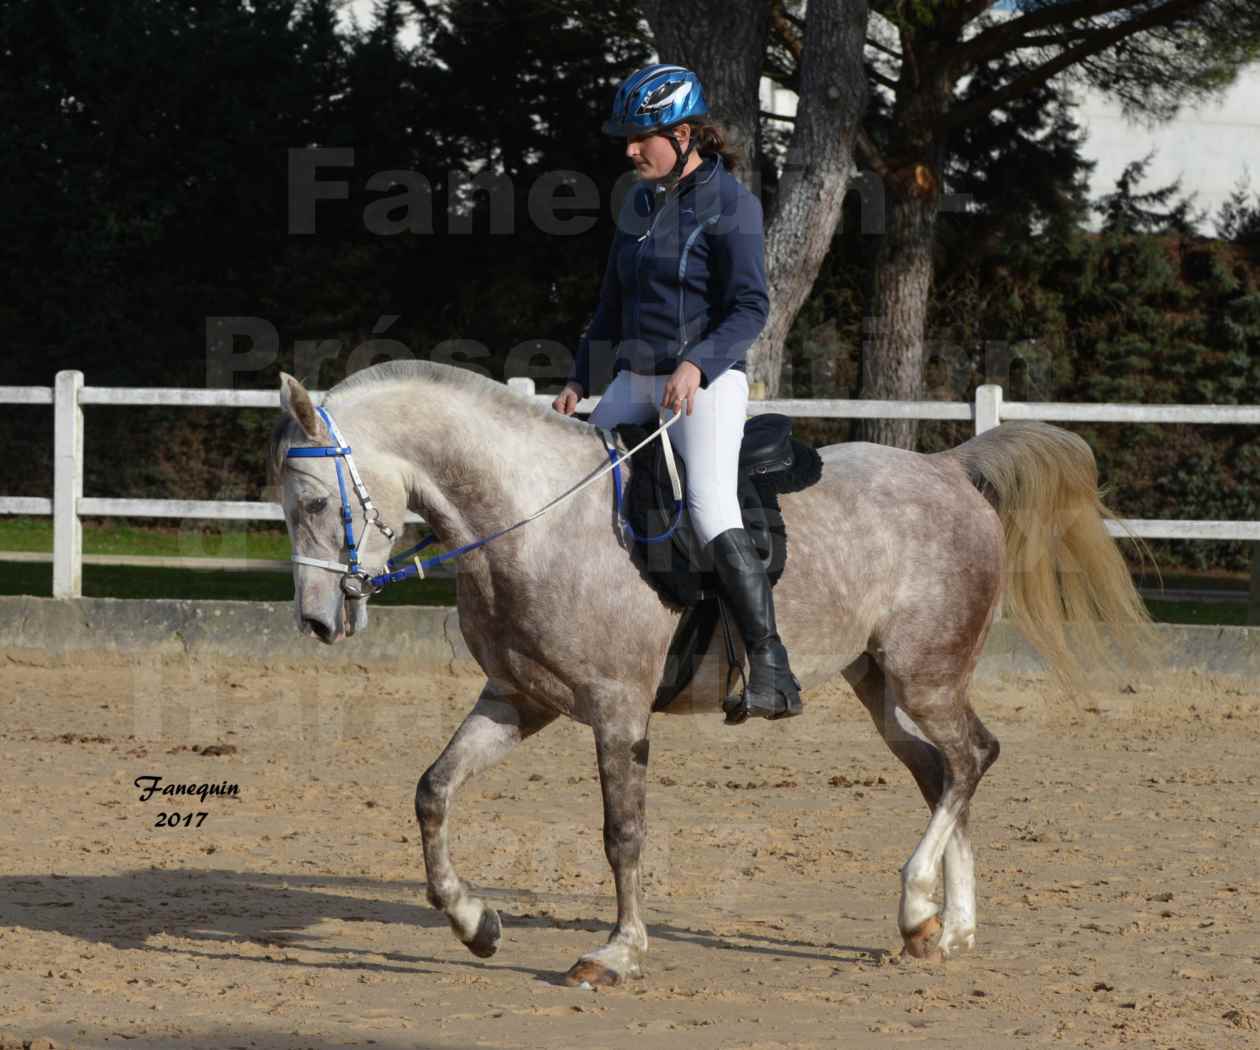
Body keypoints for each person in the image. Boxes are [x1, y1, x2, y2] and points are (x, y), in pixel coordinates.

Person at [551, 63, 801, 724]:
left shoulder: (734, 204)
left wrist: (698, 364)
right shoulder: (635, 203)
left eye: (644, 138)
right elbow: (609, 308)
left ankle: (771, 665)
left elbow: (750, 307)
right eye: (628, 140)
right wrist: (581, 376)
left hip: (705, 385)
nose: (631, 150)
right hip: (635, 379)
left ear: (685, 134)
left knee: (711, 507)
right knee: (577, 479)